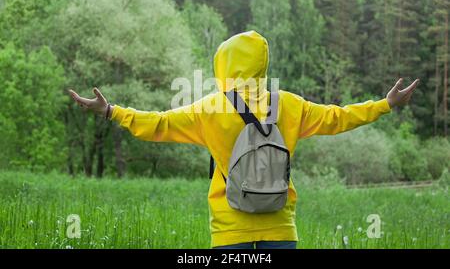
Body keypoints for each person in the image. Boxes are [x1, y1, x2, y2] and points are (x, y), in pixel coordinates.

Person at [69, 30, 419, 249]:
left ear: (225, 64)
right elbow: (339, 117)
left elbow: (157, 125)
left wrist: (111, 111)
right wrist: (385, 105)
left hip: (228, 229)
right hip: (281, 227)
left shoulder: (210, 109)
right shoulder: (289, 104)